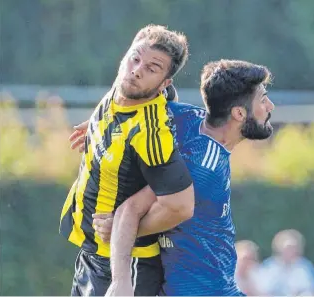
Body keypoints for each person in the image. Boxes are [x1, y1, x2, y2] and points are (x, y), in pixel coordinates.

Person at [74, 59, 275, 295]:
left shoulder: (188, 117)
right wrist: (121, 238)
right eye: (262, 99)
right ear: (239, 113)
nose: (270, 105)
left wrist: (105, 123)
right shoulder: (203, 167)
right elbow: (131, 209)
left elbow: (147, 103)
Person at [59, 24, 194, 296]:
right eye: (135, 58)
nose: (136, 70)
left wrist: (123, 231)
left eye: (152, 69)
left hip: (126, 266)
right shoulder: (125, 86)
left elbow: (180, 206)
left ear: (163, 83)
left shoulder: (151, 132)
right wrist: (98, 126)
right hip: (91, 254)